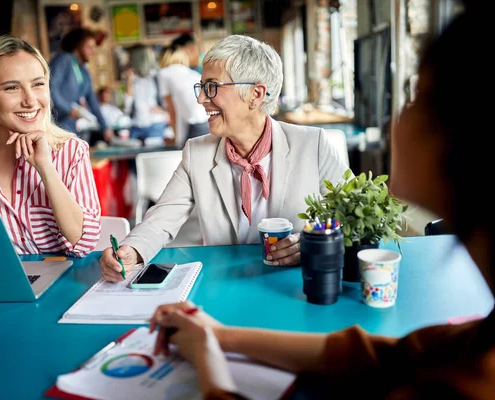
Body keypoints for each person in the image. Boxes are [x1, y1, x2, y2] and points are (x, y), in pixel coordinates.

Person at [148, 4, 495, 398]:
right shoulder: (469, 344)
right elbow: (388, 356)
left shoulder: (472, 378)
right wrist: (222, 336)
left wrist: (208, 356)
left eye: (419, 100)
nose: (400, 117)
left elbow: (351, 222)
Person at [99, 35, 348, 281]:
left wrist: (312, 241)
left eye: (212, 87)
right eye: (202, 87)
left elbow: (355, 217)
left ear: (256, 94)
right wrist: (131, 250)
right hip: (227, 283)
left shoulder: (312, 144)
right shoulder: (197, 152)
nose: (200, 99)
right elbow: (162, 218)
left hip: (297, 284)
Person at [0, 35, 102, 258]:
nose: (31, 100)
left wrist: (45, 167)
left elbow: (84, 243)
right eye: (12, 88)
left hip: (66, 287)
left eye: (38, 84)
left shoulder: (72, 151)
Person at [49, 27, 113, 143]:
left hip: (70, 125)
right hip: (55, 125)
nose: (93, 51)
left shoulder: (84, 71)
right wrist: (68, 108)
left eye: (94, 48)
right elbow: (50, 89)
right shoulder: (64, 60)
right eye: (89, 47)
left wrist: (105, 127)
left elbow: (93, 101)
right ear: (77, 47)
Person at [158, 45, 209, 148]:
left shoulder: (163, 74)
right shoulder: (193, 74)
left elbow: (172, 110)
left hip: (193, 127)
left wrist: (177, 140)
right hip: (207, 124)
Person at [123, 44, 169, 142]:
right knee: (133, 156)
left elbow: (168, 101)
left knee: (153, 156)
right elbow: (127, 107)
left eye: (130, 59)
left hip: (155, 124)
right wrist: (129, 82)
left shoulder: (156, 77)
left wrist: (163, 110)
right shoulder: (132, 79)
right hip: (136, 126)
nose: (128, 62)